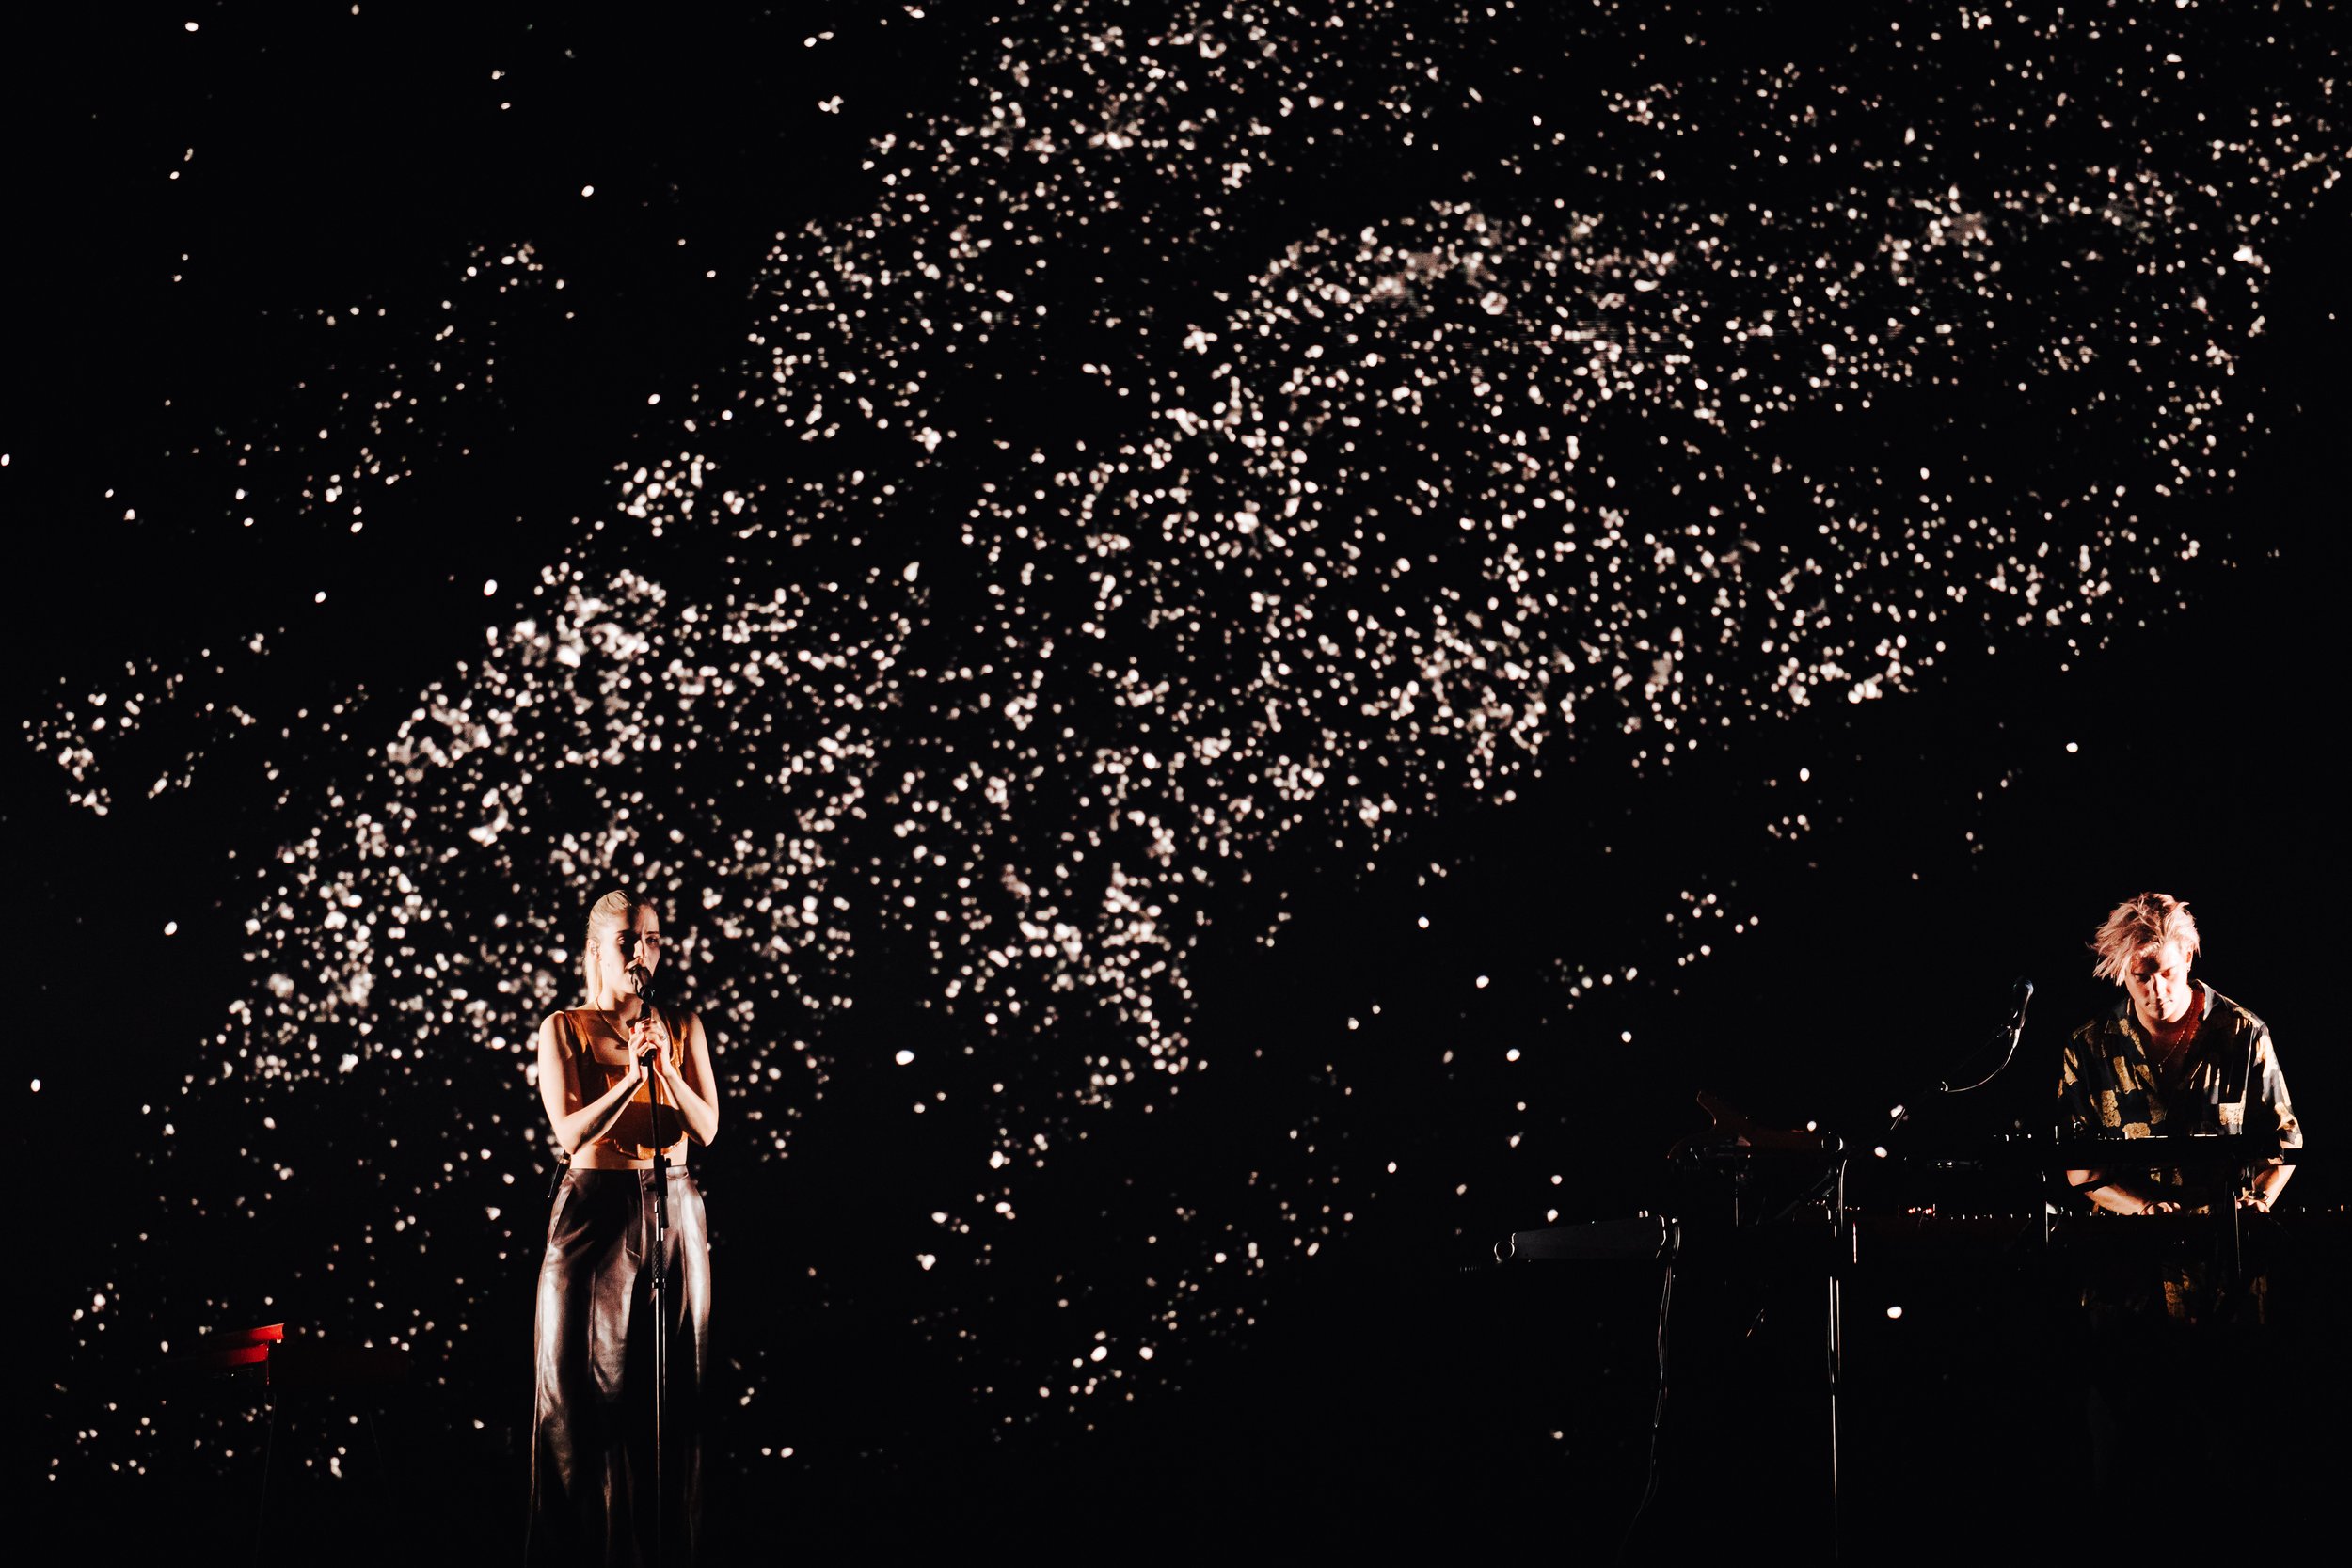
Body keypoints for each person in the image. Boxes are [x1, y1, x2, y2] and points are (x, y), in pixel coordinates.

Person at [528, 890, 722, 1564]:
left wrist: (664, 1067)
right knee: (581, 1407)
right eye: (628, 940)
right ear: (597, 948)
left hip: (676, 1205)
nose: (644, 952)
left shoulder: (682, 1024)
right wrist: (630, 1080)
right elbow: (569, 1131)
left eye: (655, 939)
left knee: (675, 1404)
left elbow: (707, 1128)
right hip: (596, 1206)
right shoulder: (564, 1026)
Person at [2058, 891, 2298, 1243]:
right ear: (2123, 971)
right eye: (2141, 976)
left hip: (2224, 1254)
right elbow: (2080, 1167)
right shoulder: (2088, 1047)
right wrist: (2140, 1206)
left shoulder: (2243, 1033)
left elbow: (2286, 1141)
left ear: (2188, 957)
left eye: (2167, 972)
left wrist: (2259, 1200)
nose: (2157, 989)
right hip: (2124, 1265)